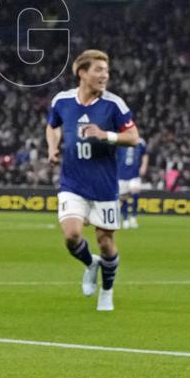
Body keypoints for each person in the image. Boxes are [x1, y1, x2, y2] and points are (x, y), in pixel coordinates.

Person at [45, 49, 139, 312]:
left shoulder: (114, 104)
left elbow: (133, 137)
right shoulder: (62, 100)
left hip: (104, 186)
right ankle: (90, 264)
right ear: (82, 73)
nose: (104, 76)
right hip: (72, 182)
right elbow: (52, 125)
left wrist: (106, 135)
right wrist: (52, 148)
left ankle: (107, 291)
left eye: (106, 71)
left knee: (106, 242)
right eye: (98, 70)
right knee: (72, 236)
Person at [118, 138, 148, 229]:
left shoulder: (140, 141)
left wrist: (144, 166)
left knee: (135, 194)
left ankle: (133, 217)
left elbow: (145, 154)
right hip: (121, 174)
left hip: (134, 174)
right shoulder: (120, 140)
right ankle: (126, 219)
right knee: (123, 198)